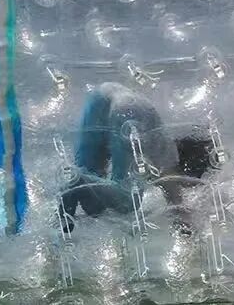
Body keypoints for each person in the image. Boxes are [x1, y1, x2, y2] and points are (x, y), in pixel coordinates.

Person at [59, 82, 214, 234]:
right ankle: (78, 180)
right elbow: (176, 202)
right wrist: (187, 228)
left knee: (91, 200)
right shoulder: (168, 157)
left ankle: (64, 214)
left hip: (99, 98)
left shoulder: (161, 140)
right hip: (127, 112)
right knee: (128, 201)